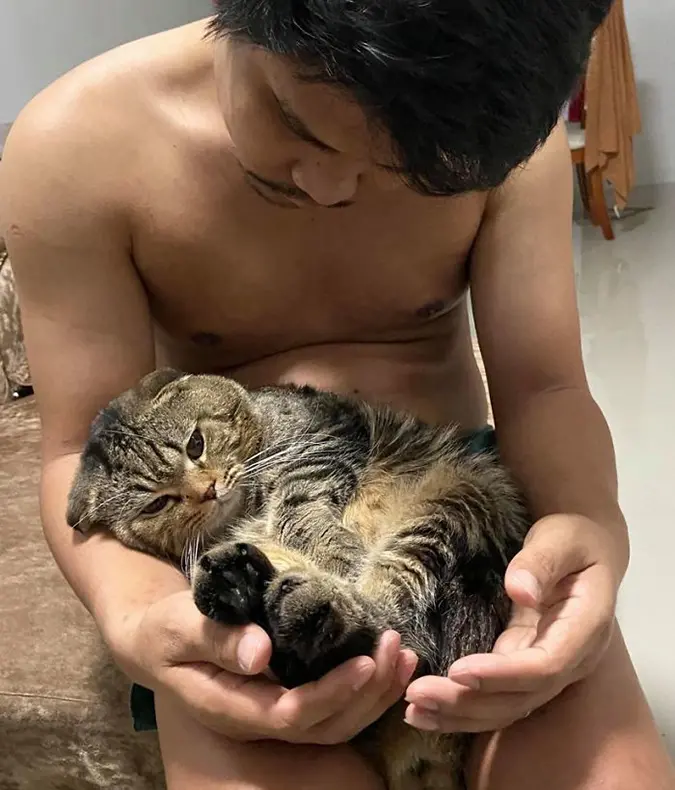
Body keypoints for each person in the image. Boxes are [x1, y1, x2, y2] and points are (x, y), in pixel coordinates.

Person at [1, 2, 673, 789]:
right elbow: (80, 452)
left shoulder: (501, 145)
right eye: (293, 118)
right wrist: (134, 612)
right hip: (242, 549)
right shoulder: (75, 146)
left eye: (403, 168)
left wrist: (588, 523)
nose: (328, 186)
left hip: (441, 516)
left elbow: (545, 386)